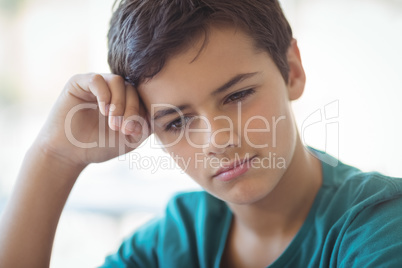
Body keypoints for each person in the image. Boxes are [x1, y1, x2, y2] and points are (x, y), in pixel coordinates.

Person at [1, 0, 402, 267]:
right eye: (176, 122)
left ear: (292, 70)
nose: (217, 139)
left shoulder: (380, 228)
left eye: (239, 94)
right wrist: (54, 157)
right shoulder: (172, 243)